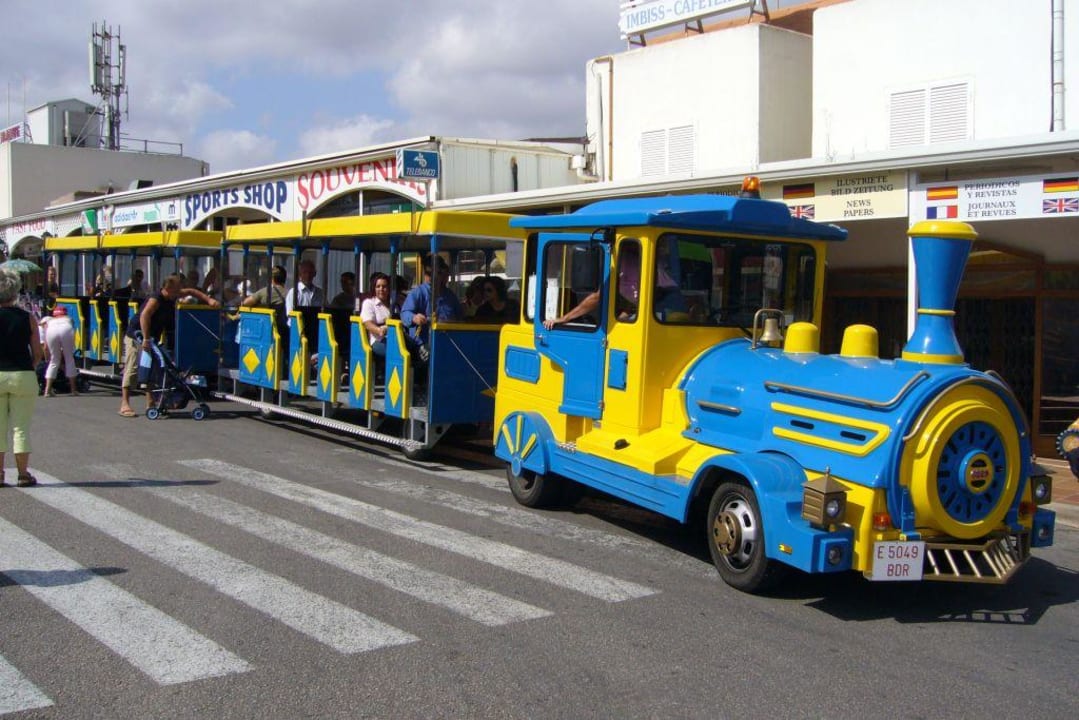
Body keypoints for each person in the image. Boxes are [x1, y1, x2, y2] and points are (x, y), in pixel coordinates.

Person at [118, 274, 219, 417]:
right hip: (136, 336)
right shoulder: (156, 298)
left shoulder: (172, 295)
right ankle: (125, 404)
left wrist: (209, 300)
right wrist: (146, 339)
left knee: (151, 370)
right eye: (177, 289)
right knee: (133, 367)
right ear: (168, 288)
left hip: (152, 338)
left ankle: (151, 403)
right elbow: (144, 316)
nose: (180, 292)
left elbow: (191, 291)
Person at [0, 269, 44, 487]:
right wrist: (31, 367)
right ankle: (23, 474)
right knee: (21, 427)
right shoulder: (27, 318)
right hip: (22, 374)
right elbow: (37, 352)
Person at [400, 254, 463, 362]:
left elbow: (460, 318)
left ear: (442, 273)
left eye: (435, 273)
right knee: (432, 356)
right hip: (423, 343)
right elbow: (405, 314)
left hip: (449, 342)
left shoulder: (450, 296)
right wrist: (414, 317)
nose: (430, 277)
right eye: (428, 273)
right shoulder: (418, 292)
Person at [39, 305, 78, 396]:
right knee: (69, 358)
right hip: (66, 329)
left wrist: (46, 357)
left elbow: (45, 346)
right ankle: (73, 390)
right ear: (64, 313)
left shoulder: (50, 321)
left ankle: (47, 391)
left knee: (54, 360)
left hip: (51, 331)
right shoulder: (68, 318)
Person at [359, 272, 393, 359]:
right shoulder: (369, 303)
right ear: (374, 288)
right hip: (378, 341)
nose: (381, 289)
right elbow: (368, 324)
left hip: (395, 339)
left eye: (384, 286)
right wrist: (380, 330)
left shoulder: (394, 304)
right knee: (395, 353)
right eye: (378, 286)